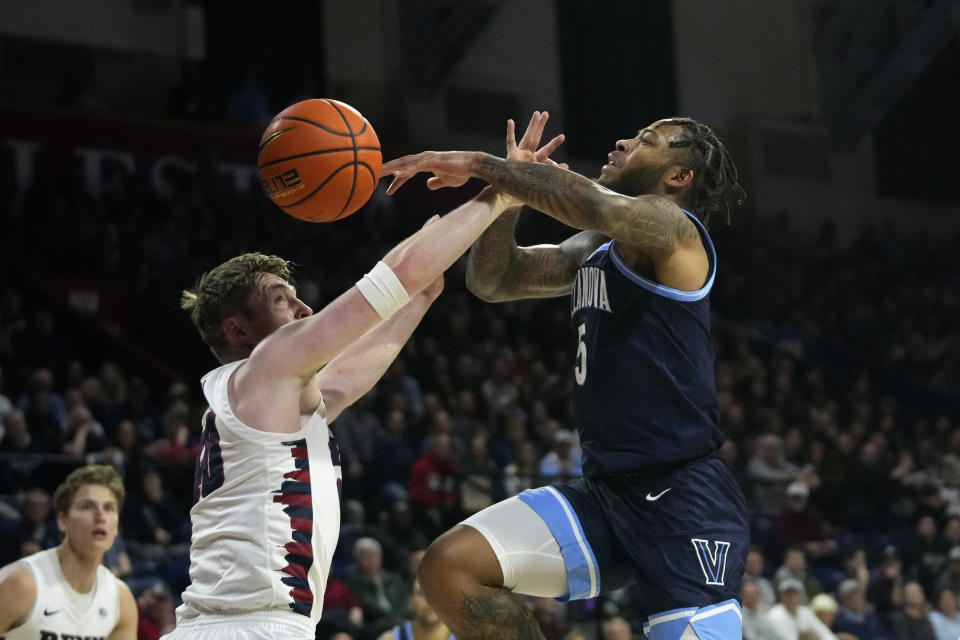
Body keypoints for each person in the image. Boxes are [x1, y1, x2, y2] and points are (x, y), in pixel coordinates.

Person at [163, 113, 564, 640]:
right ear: (237, 329)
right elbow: (397, 276)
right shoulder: (267, 363)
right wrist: (502, 191)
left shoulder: (271, 399)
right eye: (282, 300)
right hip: (245, 629)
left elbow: (367, 351)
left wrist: (423, 289)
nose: (305, 307)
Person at [383, 112, 749, 639]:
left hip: (683, 499)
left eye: (645, 140)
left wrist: (484, 166)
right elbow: (495, 280)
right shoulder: (594, 249)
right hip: (605, 494)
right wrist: (505, 195)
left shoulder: (675, 232)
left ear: (678, 177)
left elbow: (591, 203)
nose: (622, 139)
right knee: (452, 566)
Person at [0, 464, 138, 639]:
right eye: (87, 507)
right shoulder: (21, 583)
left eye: (109, 508)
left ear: (116, 526)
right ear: (62, 521)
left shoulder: (120, 599)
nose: (101, 517)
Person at [377, 579, 455, 640]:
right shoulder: (390, 638)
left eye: (436, 593)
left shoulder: (465, 636)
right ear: (411, 602)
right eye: (421, 593)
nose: (429, 601)